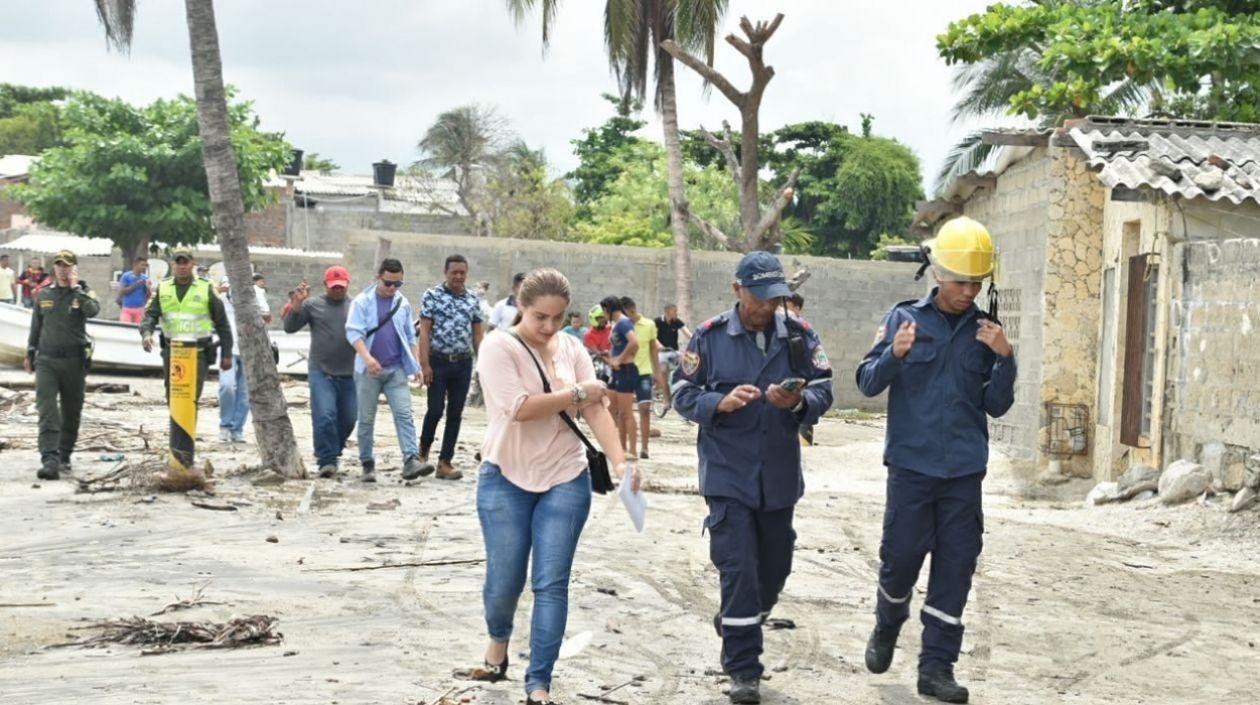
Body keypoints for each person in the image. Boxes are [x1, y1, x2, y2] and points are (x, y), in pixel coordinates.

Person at [856, 216, 1016, 704]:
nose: (968, 291)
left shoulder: (988, 332)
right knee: (900, 560)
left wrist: (1007, 358)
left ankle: (936, 667)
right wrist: (894, 355)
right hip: (911, 469)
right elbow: (866, 382)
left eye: (976, 282)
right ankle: (887, 626)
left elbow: (997, 405)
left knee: (956, 567)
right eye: (960, 281)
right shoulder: (903, 320)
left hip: (964, 473)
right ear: (939, 275)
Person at [463, 268, 639, 705]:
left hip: (565, 475)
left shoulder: (572, 347)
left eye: (558, 318)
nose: (549, 327)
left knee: (551, 582)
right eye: (540, 317)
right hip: (504, 477)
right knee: (505, 580)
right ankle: (498, 642)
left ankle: (538, 683)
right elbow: (520, 409)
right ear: (521, 307)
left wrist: (622, 463)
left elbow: (596, 409)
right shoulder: (498, 348)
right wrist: (579, 392)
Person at [672, 250, 835, 705]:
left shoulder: (800, 336)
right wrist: (717, 404)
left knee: (776, 565)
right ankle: (744, 669)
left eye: (774, 298)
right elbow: (682, 392)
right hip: (727, 473)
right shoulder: (708, 337)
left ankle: (737, 621)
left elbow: (825, 386)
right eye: (758, 297)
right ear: (737, 290)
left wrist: (798, 404)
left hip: (779, 473)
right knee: (738, 568)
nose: (766, 307)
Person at [345, 258, 427, 483]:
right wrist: (367, 358)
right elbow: (354, 333)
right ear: (378, 278)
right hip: (367, 371)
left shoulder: (402, 303)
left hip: (395, 369)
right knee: (366, 419)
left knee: (404, 414)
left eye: (398, 284)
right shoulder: (362, 302)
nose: (392, 289)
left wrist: (416, 364)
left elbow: (410, 336)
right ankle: (367, 464)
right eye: (388, 283)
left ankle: (411, 460)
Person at [24, 250, 100, 480]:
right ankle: (49, 459)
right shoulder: (44, 294)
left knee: (71, 411)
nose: (63, 270)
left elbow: (93, 311)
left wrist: (77, 289)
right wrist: (30, 352)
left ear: (74, 269)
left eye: (67, 266)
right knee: (47, 410)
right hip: (47, 360)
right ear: (54, 268)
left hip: (74, 361)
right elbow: (36, 326)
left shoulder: (84, 293)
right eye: (59, 266)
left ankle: (64, 454)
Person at [285, 266, 358, 478]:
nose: (338, 290)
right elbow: (289, 327)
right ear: (325, 285)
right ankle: (327, 460)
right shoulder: (312, 305)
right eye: (333, 287)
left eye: (341, 287)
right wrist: (296, 305)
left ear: (348, 285)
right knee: (325, 415)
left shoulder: (356, 306)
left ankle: (332, 450)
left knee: (350, 418)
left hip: (350, 374)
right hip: (321, 372)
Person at [418, 254, 485, 480]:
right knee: (435, 410)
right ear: (446, 273)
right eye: (454, 272)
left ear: (466, 274)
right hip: (437, 362)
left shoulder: (473, 300)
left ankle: (445, 462)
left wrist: (483, 364)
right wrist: (424, 364)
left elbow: (477, 334)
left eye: (462, 273)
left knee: (455, 413)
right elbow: (425, 331)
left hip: (463, 364)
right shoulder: (432, 296)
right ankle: (422, 455)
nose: (458, 276)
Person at [140, 247, 233, 403]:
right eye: (178, 262)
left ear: (192, 264)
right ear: (173, 265)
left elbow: (222, 323)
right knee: (173, 397)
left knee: (190, 398)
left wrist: (227, 354)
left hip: (199, 353)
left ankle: (186, 428)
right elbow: (150, 315)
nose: (182, 266)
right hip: (172, 352)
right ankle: (177, 428)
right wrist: (146, 334)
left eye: (186, 263)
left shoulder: (207, 288)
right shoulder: (163, 288)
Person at [215, 274, 272, 443]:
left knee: (245, 393)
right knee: (227, 386)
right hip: (227, 348)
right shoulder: (221, 297)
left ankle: (236, 429)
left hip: (250, 349)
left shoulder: (255, 292)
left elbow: (267, 316)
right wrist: (221, 290)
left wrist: (250, 308)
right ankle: (225, 425)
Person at [621, 296, 659, 460]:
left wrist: (657, 371)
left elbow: (653, 349)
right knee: (624, 412)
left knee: (645, 409)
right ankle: (624, 448)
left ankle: (644, 448)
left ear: (632, 310)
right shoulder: (621, 327)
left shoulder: (649, 325)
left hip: (644, 373)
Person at [601, 296, 639, 457]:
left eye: (603, 310)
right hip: (616, 371)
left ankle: (632, 450)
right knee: (611, 409)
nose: (602, 314)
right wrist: (611, 358)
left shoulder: (623, 323)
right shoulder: (616, 324)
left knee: (626, 413)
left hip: (626, 370)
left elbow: (634, 342)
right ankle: (620, 447)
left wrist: (620, 359)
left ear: (609, 309)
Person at [653, 303, 690, 415]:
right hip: (661, 352)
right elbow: (652, 337)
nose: (676, 313)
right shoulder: (657, 321)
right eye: (675, 311)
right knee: (664, 370)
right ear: (667, 311)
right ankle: (666, 400)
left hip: (674, 352)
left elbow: (688, 333)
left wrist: (698, 341)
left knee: (689, 361)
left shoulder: (677, 322)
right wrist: (660, 347)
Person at [117, 257, 151, 323]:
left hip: (140, 309)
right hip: (127, 308)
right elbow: (122, 291)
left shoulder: (145, 278)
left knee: (137, 331)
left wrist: (148, 287)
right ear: (135, 265)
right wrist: (135, 285)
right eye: (142, 265)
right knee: (125, 328)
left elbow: (148, 295)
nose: (144, 267)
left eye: (145, 265)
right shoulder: (126, 276)